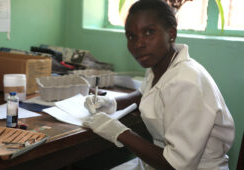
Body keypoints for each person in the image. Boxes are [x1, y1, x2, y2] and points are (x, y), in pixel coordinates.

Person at [83, 0, 235, 169]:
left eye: (148, 32)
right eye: (131, 36)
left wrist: (119, 132)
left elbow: (175, 165)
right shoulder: (161, 64)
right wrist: (112, 103)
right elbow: (146, 94)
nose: (138, 44)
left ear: (171, 34)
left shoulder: (187, 82)